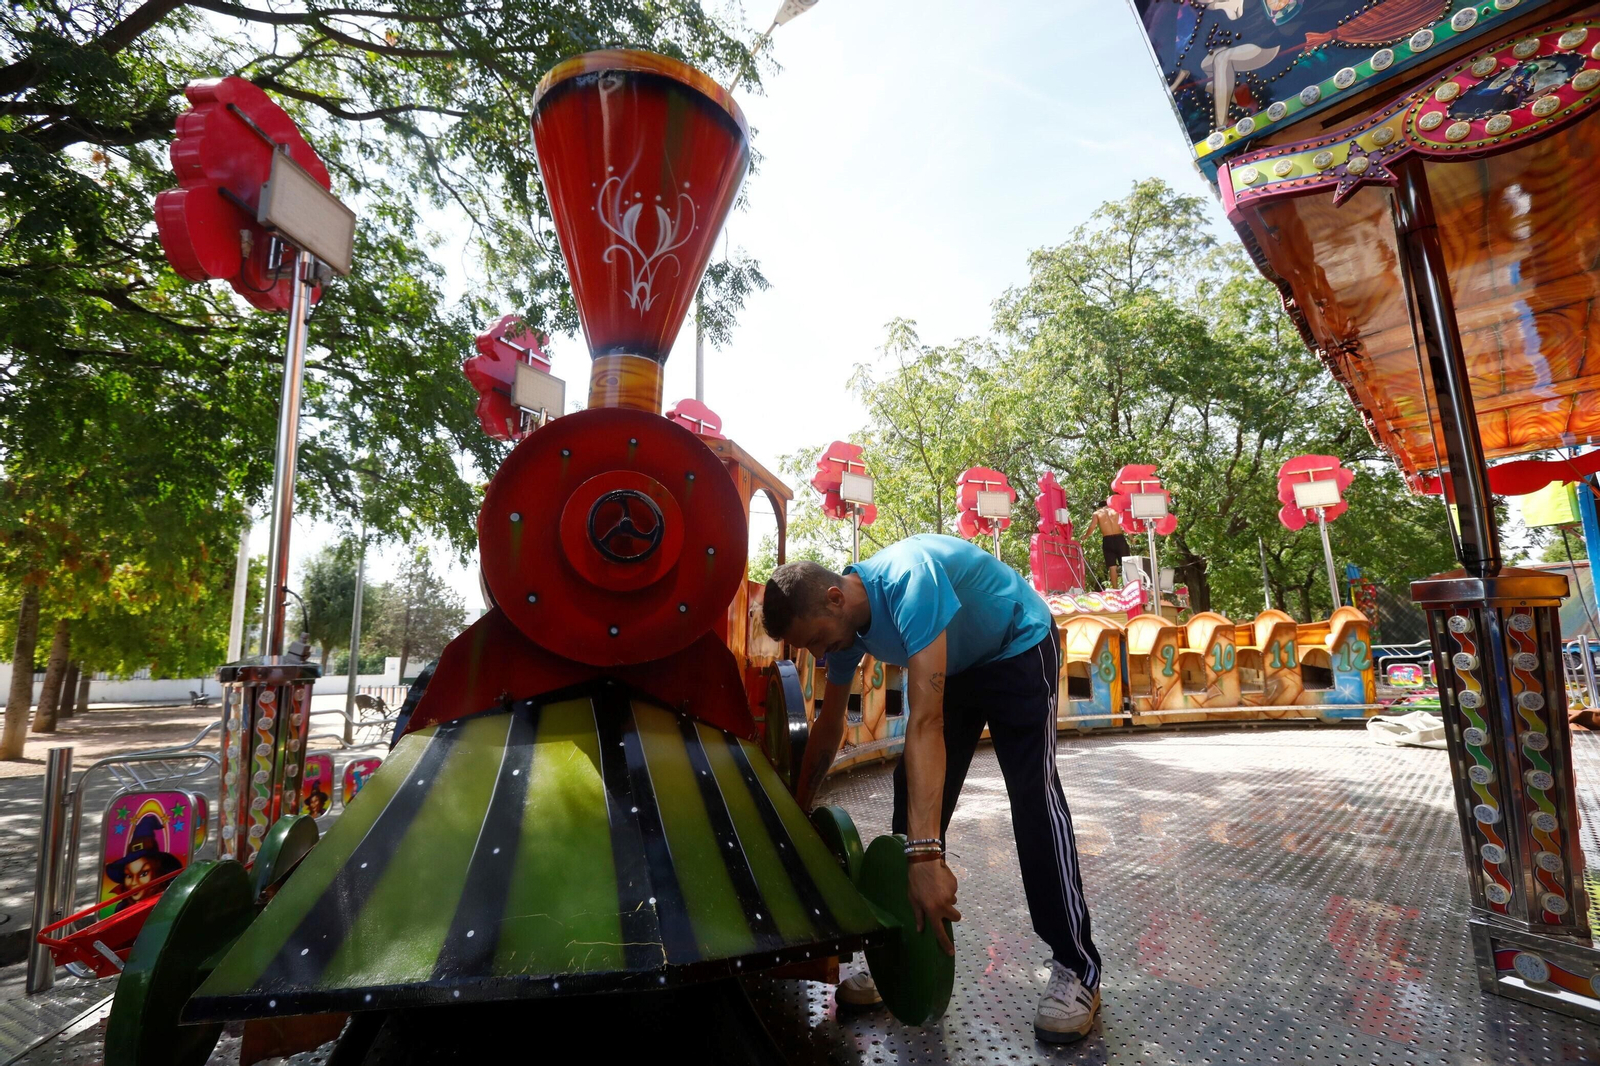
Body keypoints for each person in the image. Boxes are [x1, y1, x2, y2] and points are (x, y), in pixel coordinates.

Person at [761, 534, 1102, 1044]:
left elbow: (925, 723)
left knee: (1034, 799)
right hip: (960, 664)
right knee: (910, 795)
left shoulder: (908, 581)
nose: (816, 651)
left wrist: (926, 859)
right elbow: (829, 726)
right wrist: (797, 809)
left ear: (836, 598)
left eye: (815, 639)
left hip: (1019, 645)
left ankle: (1077, 966)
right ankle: (905, 952)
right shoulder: (841, 630)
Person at [105, 813, 184, 912]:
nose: (134, 883)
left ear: (158, 873)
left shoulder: (168, 907)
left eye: (143, 874)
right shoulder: (121, 908)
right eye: (129, 876)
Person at [1092, 505, 1130, 588]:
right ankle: (1127, 586)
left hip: (1107, 539)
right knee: (1125, 563)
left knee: (1112, 566)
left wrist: (1085, 536)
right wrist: (1131, 537)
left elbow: (1092, 526)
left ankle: (1115, 588)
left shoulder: (1097, 513)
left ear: (1099, 507)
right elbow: (1124, 524)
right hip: (1119, 538)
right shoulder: (1117, 510)